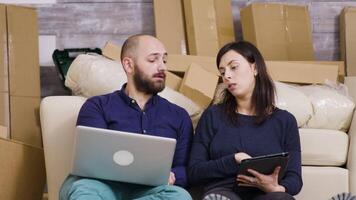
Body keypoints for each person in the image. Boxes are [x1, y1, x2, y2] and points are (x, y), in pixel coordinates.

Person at [59, 34, 193, 200]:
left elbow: (185, 168)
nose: (162, 67)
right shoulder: (97, 106)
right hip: (102, 187)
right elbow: (90, 162)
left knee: (180, 197)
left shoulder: (179, 115)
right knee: (83, 190)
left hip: (150, 191)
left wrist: (172, 175)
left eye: (164, 61)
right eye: (153, 60)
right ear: (129, 65)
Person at [188, 41, 303, 200]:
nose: (227, 76)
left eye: (233, 67)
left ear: (254, 68)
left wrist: (277, 187)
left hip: (266, 195)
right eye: (222, 72)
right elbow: (194, 172)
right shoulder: (213, 115)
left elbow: (295, 178)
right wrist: (233, 161)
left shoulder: (285, 121)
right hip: (223, 191)